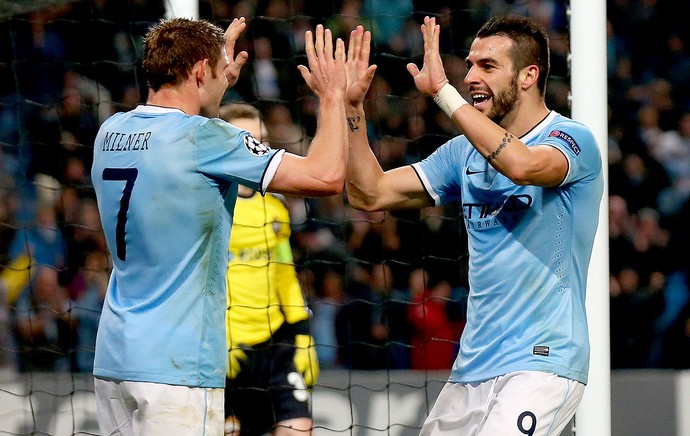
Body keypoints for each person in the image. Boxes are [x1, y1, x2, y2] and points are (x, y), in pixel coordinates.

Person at [343, 16, 604, 435]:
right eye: (469, 65)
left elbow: (521, 165)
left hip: (541, 362)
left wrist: (442, 94)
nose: (469, 77)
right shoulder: (462, 153)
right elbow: (369, 194)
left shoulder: (572, 141)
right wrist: (352, 110)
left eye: (487, 66)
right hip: (472, 368)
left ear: (527, 76)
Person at [90, 17, 348, 435]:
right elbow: (326, 177)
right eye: (215, 70)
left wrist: (212, 85)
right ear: (197, 72)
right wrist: (334, 96)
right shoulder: (208, 138)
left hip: (115, 358)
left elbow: (175, 134)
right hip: (177, 365)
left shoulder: (110, 133)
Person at [218, 103, 319, 436]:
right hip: (223, 349)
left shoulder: (275, 207)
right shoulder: (211, 207)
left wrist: (303, 336)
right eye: (249, 140)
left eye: (262, 140)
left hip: (274, 346)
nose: (258, 149)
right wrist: (218, 337)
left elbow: (285, 275)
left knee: (298, 427)